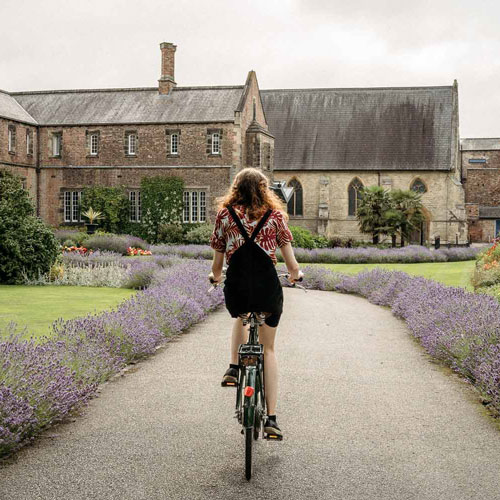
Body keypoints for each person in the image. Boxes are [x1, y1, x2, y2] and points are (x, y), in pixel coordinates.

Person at [208, 167, 302, 439]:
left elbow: (217, 265)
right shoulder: (275, 218)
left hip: (237, 287)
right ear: (264, 190)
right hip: (266, 290)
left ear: (235, 188)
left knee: (240, 315)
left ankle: (234, 368)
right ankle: (271, 418)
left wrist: (215, 278)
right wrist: (296, 274)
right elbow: (291, 263)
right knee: (269, 349)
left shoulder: (224, 216)